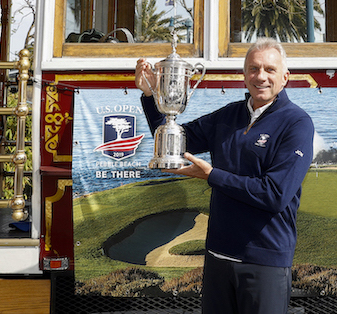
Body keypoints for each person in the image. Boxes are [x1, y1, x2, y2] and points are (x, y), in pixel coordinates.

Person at [135, 37, 314, 314]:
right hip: (218, 256)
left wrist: (212, 176)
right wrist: (150, 96)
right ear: (244, 75)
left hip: (264, 261)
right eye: (254, 69)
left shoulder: (297, 123)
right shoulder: (229, 115)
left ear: (285, 77)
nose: (261, 77)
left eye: (269, 69)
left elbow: (275, 194)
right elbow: (175, 141)